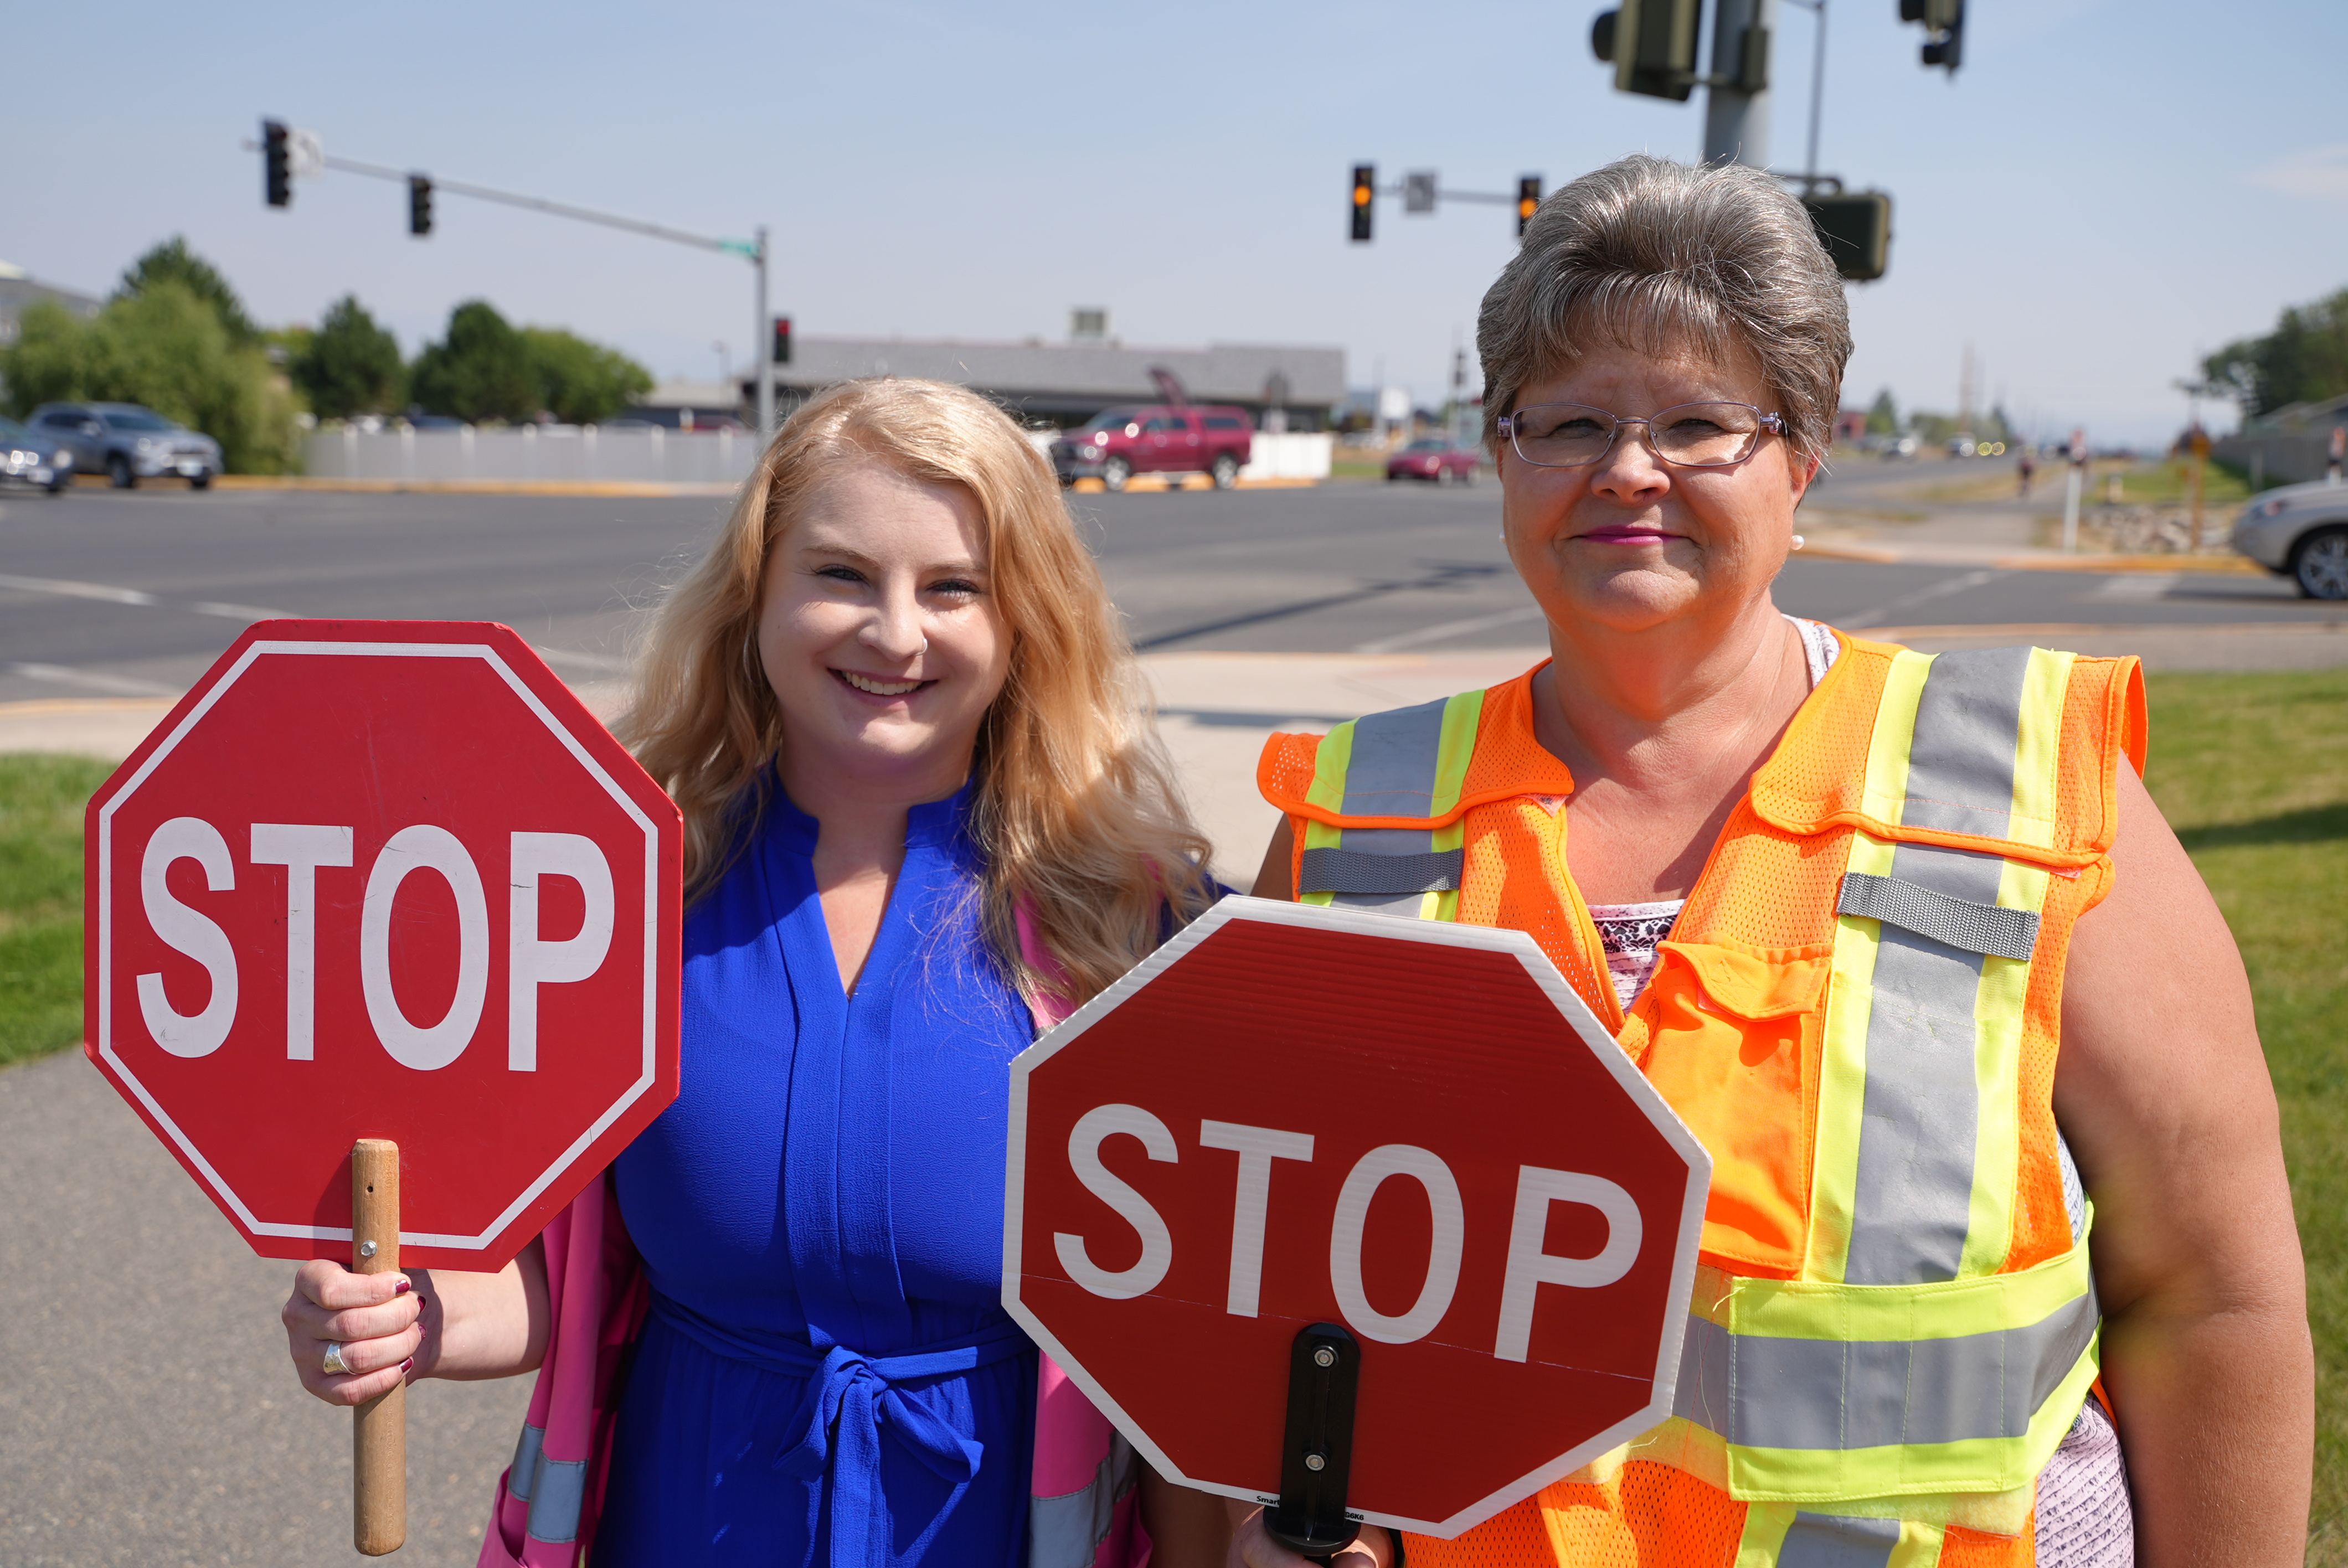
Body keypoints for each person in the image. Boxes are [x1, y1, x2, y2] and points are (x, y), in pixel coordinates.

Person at [1213, 157, 2313, 1567]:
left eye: (1694, 422)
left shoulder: (2031, 791)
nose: (1624, 469)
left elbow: (2208, 1295)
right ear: (1501, 454)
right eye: (1566, 421)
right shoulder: (1350, 829)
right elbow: (1242, 1305)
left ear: (1800, 452)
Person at [278, 377, 1219, 1565]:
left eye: (952, 588)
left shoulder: (1140, 928)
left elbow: (1208, 1356)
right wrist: (403, 1323)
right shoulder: (615, 897)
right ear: (754, 596)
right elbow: (554, 1281)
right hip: (683, 1517)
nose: (893, 632)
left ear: (1022, 619)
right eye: (838, 574)